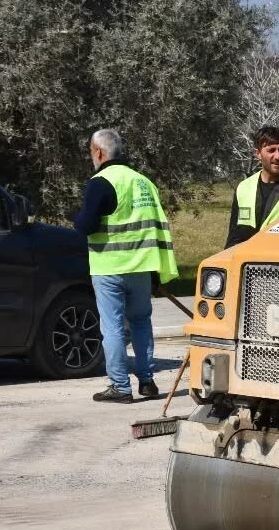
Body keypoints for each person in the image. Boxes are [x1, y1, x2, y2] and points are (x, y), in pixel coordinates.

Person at [73, 129, 178, 404]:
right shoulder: (144, 183)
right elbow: (154, 228)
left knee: (113, 328)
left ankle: (120, 386)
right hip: (142, 268)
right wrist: (157, 271)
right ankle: (147, 381)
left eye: (91, 153)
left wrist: (76, 218)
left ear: (99, 152)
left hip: (110, 266)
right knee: (142, 322)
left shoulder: (100, 182)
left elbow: (86, 225)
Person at [225, 126, 279, 248]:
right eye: (271, 150)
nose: (278, 156)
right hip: (245, 264)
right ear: (258, 154)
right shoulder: (243, 188)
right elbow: (233, 237)